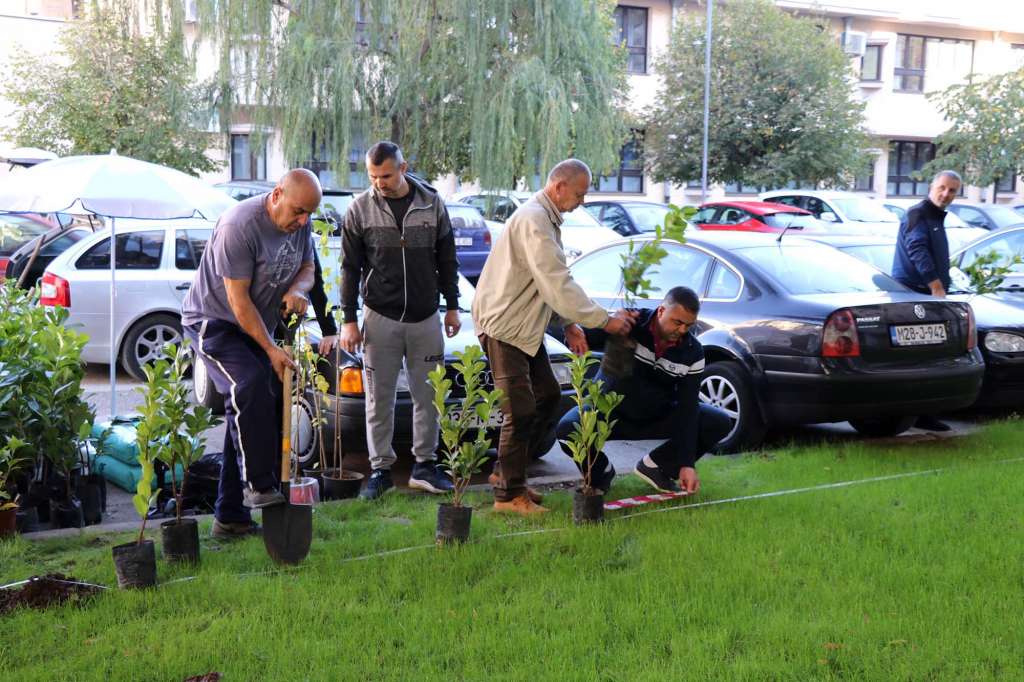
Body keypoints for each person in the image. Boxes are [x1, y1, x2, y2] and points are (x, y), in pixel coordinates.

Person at [472, 159, 636, 515]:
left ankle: (507, 476)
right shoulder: (534, 219)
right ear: (558, 186)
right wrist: (603, 321)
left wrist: (570, 324)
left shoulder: (545, 218)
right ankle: (508, 497)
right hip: (504, 327)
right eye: (579, 193)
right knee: (519, 409)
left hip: (524, 327)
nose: (582, 200)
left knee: (547, 396)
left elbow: (546, 281)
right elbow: (557, 281)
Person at [181, 169, 320, 539]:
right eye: (298, 211)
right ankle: (259, 486)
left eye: (309, 214)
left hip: (258, 326)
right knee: (250, 384)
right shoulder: (239, 225)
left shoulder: (301, 223)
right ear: (277, 195)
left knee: (255, 409)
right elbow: (238, 302)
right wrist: (271, 349)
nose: (303, 220)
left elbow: (308, 268)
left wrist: (299, 290)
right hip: (216, 323)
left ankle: (230, 519)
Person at [338, 141, 461, 500]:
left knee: (430, 396)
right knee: (379, 398)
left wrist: (453, 305)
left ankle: (425, 466)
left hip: (426, 317)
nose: (379, 182)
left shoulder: (432, 203)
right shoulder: (359, 209)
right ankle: (380, 471)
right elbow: (349, 268)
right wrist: (348, 320)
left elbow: (447, 257)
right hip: (380, 317)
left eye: (386, 175)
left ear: (404, 167)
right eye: (373, 176)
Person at [556, 287, 732, 495]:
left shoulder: (693, 353)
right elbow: (583, 332)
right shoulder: (628, 324)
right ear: (660, 311)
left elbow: (688, 408)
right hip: (608, 413)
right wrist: (574, 328)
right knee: (568, 430)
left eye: (689, 325)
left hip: (655, 416)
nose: (683, 330)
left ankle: (657, 467)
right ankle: (601, 474)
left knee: (718, 421)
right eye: (677, 322)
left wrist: (687, 463)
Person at [891, 169, 963, 432]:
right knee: (917, 358)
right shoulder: (918, 213)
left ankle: (924, 413)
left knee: (931, 357)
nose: (946, 194)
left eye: (952, 190)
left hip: (928, 295)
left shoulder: (936, 216)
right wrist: (935, 286)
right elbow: (917, 249)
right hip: (914, 295)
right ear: (932, 187)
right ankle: (911, 414)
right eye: (942, 188)